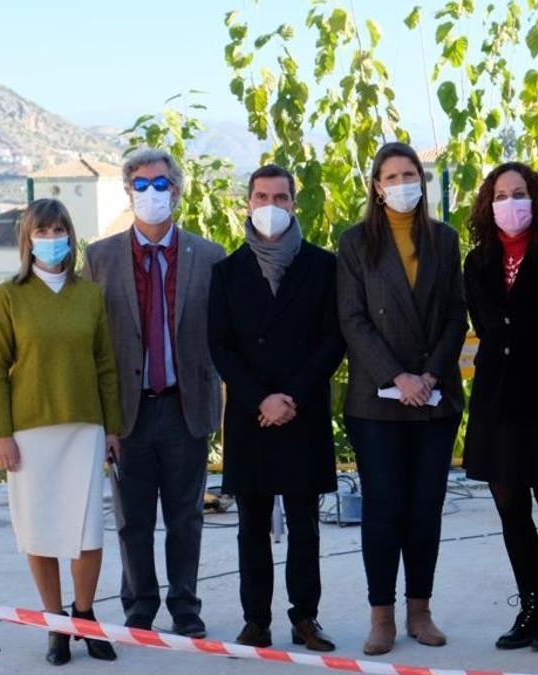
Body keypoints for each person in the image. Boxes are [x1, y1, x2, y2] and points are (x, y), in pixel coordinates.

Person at [82, 148, 225, 637]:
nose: (150, 194)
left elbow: (222, 335)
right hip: (128, 413)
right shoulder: (99, 258)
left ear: (177, 191)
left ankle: (185, 605)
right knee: (132, 521)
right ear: (128, 192)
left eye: (160, 184)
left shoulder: (208, 256)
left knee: (186, 518)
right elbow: (91, 342)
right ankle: (139, 606)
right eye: (140, 185)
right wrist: (103, 423)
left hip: (187, 408)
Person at [337, 141, 468, 656]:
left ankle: (421, 611)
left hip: (434, 399)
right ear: (376, 186)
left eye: (409, 174)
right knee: (384, 507)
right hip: (377, 400)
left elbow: (457, 313)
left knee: (425, 508)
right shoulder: (354, 244)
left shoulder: (443, 239)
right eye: (390, 176)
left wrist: (431, 375)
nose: (401, 184)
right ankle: (381, 616)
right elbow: (351, 318)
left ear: (422, 180)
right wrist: (398, 375)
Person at [209, 164, 345, 652]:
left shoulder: (323, 266)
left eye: (280, 197)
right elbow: (220, 346)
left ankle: (305, 618)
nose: (271, 206)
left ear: (294, 203)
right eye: (261, 196)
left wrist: (292, 396)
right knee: (251, 527)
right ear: (248, 203)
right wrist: (259, 398)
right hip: (251, 416)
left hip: (301, 412)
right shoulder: (226, 272)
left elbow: (333, 339)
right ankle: (255, 621)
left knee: (305, 524)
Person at [0, 198, 120, 665]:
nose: (52, 238)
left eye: (59, 229)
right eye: (42, 230)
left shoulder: (89, 294)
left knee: (88, 533)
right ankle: (55, 623)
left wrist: (113, 427)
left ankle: (84, 616)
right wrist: (1, 433)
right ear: (27, 239)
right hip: (29, 433)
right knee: (39, 531)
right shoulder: (9, 296)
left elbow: (105, 364)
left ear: (71, 235)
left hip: (85, 428)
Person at [461, 162, 538, 652]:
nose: (509, 202)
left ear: (537, 198)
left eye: (519, 192)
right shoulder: (477, 261)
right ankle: (530, 607)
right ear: (487, 205)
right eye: (499, 194)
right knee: (510, 505)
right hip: (497, 399)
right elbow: (488, 329)